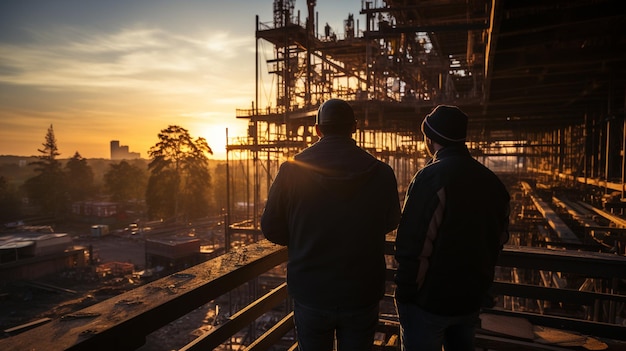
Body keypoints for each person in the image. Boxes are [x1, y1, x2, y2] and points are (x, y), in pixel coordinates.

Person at [261, 98, 401, 351]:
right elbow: (391, 220)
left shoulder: (292, 170)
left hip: (312, 291)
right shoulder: (381, 172)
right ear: (354, 128)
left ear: (317, 129)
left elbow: (271, 228)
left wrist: (303, 236)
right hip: (361, 290)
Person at [394, 105, 510, 351]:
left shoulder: (431, 178)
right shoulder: (492, 183)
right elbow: (498, 239)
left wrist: (405, 294)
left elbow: (414, 244)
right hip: (470, 300)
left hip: (430, 303)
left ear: (431, 138)